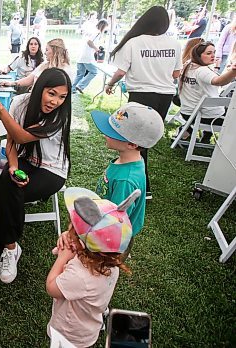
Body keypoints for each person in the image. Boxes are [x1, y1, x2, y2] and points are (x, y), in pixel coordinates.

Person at [0, 68, 72, 283]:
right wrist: (12, 167)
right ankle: (11, 248)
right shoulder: (20, 103)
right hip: (27, 160)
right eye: (51, 93)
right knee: (8, 180)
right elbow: (11, 140)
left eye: (62, 97)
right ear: (40, 88)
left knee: (12, 191)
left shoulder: (60, 116)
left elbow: (20, 137)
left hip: (52, 170)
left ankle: (4, 249)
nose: (55, 101)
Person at [105, 6, 181, 199]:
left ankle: (140, 184)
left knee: (134, 139)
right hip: (165, 95)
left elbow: (121, 71)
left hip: (141, 94)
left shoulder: (134, 42)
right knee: (145, 138)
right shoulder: (174, 43)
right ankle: (140, 180)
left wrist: (110, 84)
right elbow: (176, 73)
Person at [46, 187, 136, 347]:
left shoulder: (80, 275)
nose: (68, 230)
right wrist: (69, 240)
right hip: (88, 328)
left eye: (72, 230)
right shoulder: (111, 265)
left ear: (81, 243)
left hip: (68, 334)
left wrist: (62, 258)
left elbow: (51, 288)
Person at [90, 103, 164, 258]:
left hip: (109, 235)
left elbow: (115, 220)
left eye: (111, 132)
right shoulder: (130, 160)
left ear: (132, 144)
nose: (105, 134)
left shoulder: (126, 180)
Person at [178, 42, 236, 142]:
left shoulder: (188, 65)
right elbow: (218, 81)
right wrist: (233, 72)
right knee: (229, 113)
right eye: (208, 53)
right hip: (205, 117)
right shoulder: (202, 70)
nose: (213, 55)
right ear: (198, 55)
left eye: (214, 52)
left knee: (217, 107)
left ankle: (195, 133)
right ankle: (227, 146)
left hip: (187, 113)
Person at [0, 39, 72, 91]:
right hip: (26, 90)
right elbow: (30, 79)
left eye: (47, 50)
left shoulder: (65, 71)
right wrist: (11, 83)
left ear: (55, 52)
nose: (45, 53)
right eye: (31, 44)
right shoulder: (44, 64)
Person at [72, 19, 108, 94]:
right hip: (87, 56)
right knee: (94, 72)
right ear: (103, 26)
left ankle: (72, 89)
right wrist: (96, 49)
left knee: (80, 74)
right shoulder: (97, 33)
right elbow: (89, 42)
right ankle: (80, 86)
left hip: (81, 54)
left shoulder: (92, 31)